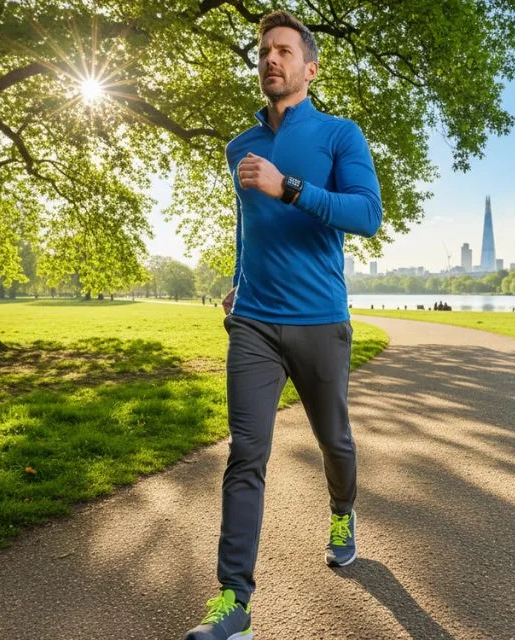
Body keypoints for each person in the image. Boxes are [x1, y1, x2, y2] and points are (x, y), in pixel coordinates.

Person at [184, 10, 382, 640]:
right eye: (264, 50)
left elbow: (367, 215)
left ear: (309, 67)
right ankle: (233, 601)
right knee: (247, 455)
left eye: (284, 51)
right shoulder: (238, 147)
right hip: (256, 324)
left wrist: (290, 187)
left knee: (336, 442)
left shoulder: (339, 135)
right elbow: (250, 229)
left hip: (321, 320)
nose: (271, 59)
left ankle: (343, 510)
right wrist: (240, 281)